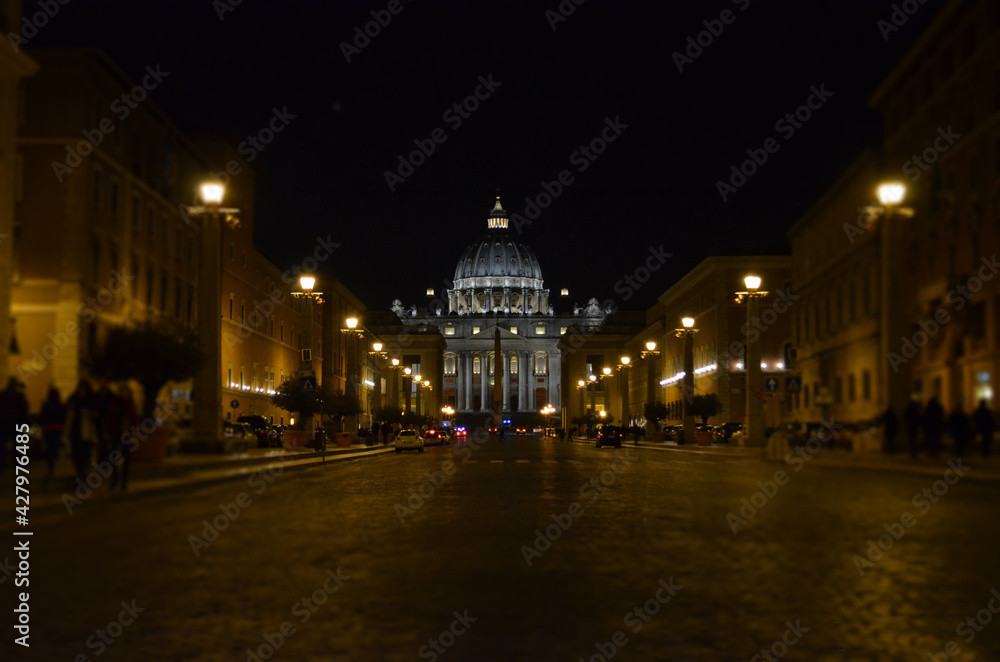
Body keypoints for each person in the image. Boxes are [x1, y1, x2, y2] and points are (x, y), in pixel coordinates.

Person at [64, 379, 98, 482]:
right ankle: (81, 474)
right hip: (75, 432)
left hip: (86, 434)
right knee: (76, 455)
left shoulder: (90, 402)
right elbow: (68, 415)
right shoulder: (74, 401)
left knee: (85, 455)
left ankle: (84, 475)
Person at [107, 384, 138, 491]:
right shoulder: (115, 404)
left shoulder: (129, 405)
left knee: (125, 459)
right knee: (113, 459)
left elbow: (133, 419)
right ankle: (114, 480)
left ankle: (124, 482)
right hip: (116, 434)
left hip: (126, 435)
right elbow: (110, 419)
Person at [0, 377, 29, 472]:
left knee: (2, 444)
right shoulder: (18, 395)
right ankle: (18, 463)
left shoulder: (2, 394)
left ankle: (2, 463)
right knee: (17, 444)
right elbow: (25, 407)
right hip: (16, 423)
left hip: (3, 423)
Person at [39, 386, 66, 480]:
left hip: (48, 429)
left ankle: (51, 466)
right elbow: (63, 417)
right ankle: (54, 463)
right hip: (57, 428)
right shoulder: (60, 405)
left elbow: (42, 417)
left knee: (49, 447)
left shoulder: (46, 405)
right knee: (55, 447)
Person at [92, 379, 115, 465]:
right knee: (100, 441)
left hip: (108, 421)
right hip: (99, 421)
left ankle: (106, 459)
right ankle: (101, 460)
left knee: (107, 441)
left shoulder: (111, 396)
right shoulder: (96, 395)